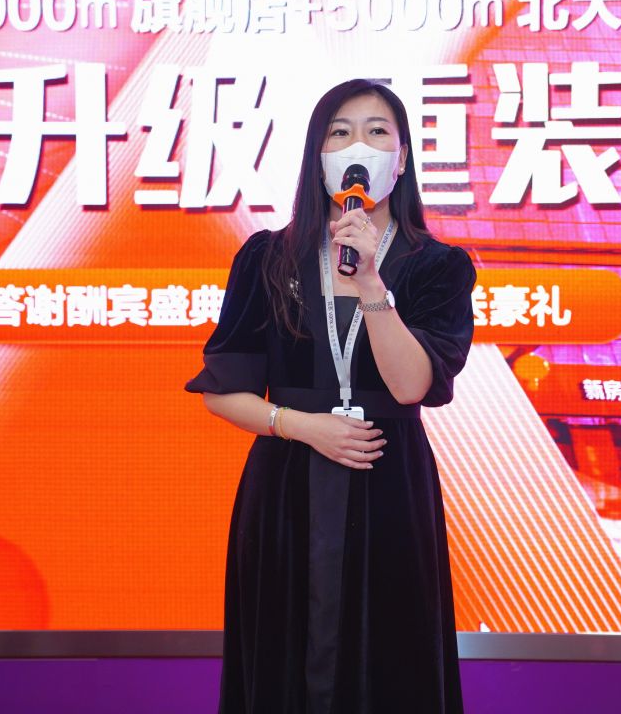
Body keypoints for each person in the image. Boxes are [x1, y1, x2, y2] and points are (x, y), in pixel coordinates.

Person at [186, 78, 475, 713]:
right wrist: (302, 425)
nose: (357, 146)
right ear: (318, 157)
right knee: (284, 659)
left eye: (377, 132)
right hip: (286, 489)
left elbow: (411, 385)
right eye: (339, 132)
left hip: (388, 487)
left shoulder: (438, 266)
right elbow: (221, 392)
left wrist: (370, 281)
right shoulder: (268, 258)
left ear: (402, 159)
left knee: (391, 662)